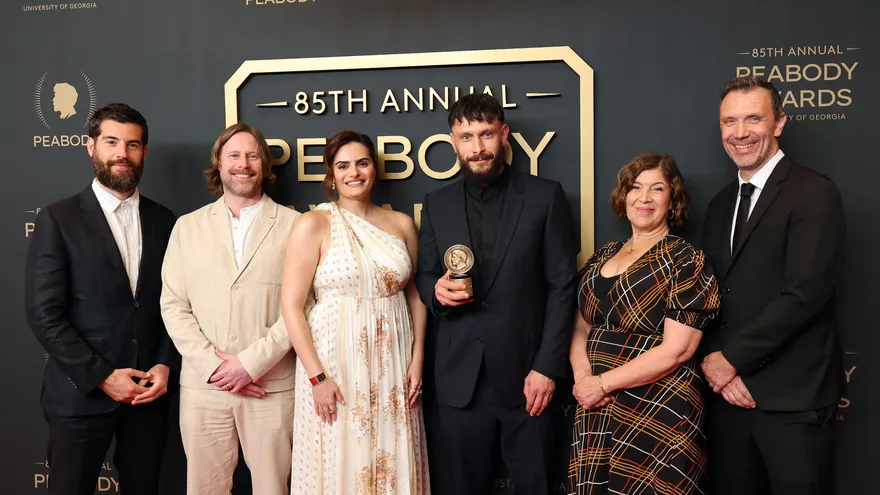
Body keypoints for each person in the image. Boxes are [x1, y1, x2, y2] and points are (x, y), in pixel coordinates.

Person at [415, 93, 577, 495]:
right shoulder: (437, 204)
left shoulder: (545, 196)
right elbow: (425, 274)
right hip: (459, 382)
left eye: (486, 134)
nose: (478, 147)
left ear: (503, 134)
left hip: (528, 380)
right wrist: (436, 292)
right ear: (453, 142)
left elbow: (562, 288)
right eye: (466, 137)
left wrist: (546, 368)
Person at [701, 76, 845, 495]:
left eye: (753, 119)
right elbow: (711, 296)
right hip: (727, 398)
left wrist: (730, 359)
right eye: (729, 122)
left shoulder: (814, 193)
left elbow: (805, 294)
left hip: (793, 400)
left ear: (779, 123)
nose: (740, 133)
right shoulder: (720, 204)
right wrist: (718, 366)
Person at [25, 103, 178, 495]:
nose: (122, 154)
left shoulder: (167, 221)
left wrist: (164, 364)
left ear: (144, 152)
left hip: (149, 396)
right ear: (90, 146)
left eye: (133, 144)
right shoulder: (57, 219)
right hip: (81, 395)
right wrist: (103, 377)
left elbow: (176, 304)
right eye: (111, 142)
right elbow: (45, 315)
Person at [282, 130, 430, 494]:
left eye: (362, 163)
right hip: (335, 367)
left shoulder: (401, 225)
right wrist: (318, 378)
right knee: (339, 459)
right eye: (343, 166)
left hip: (393, 365)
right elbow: (291, 306)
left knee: (393, 457)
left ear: (374, 171)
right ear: (331, 176)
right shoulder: (313, 223)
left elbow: (415, 296)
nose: (354, 173)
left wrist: (417, 358)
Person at [567, 152, 719, 495]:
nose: (644, 198)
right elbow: (579, 326)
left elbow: (678, 349)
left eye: (657, 189)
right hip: (596, 405)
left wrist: (603, 383)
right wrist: (583, 379)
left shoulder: (685, 259)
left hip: (659, 405)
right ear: (624, 197)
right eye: (635, 188)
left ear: (673, 199)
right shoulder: (603, 255)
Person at [160, 122, 300, 495]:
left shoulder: (296, 225)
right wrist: (217, 367)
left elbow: (303, 305)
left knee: (274, 488)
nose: (244, 164)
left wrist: (251, 364)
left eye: (253, 156)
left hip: (270, 386)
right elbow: (173, 305)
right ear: (218, 165)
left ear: (265, 166)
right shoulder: (186, 228)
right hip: (204, 388)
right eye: (234, 155)